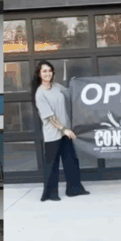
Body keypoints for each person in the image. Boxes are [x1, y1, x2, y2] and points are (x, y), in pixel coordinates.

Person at [32, 60, 88, 201]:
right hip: (53, 134)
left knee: (71, 161)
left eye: (50, 70)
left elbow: (72, 93)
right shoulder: (40, 93)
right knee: (52, 165)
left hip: (66, 131)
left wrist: (78, 83)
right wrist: (64, 130)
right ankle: (51, 194)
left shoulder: (57, 87)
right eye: (44, 71)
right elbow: (49, 116)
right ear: (39, 74)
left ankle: (74, 189)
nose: (48, 73)